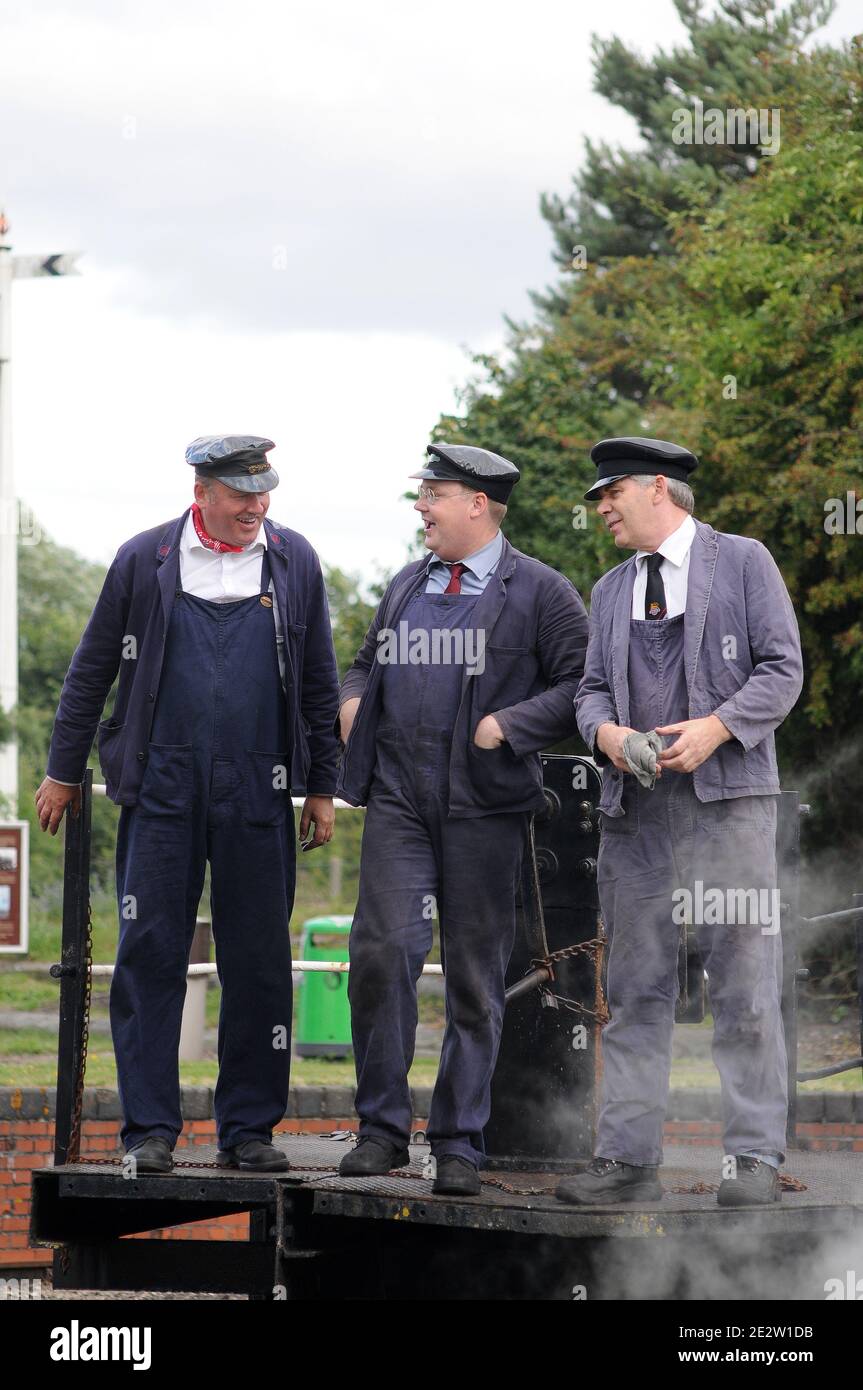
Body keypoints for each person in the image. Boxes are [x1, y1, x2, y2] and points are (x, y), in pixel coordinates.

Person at [36, 435, 340, 1174]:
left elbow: (320, 683)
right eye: (242, 494)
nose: (256, 507)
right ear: (202, 490)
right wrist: (62, 769)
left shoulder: (292, 559)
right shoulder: (145, 558)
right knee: (149, 957)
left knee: (260, 962)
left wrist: (324, 785)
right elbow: (91, 670)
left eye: (264, 493)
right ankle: (148, 1131)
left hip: (259, 788)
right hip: (160, 788)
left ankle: (248, 1130)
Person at [556, 436, 803, 1209]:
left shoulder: (743, 562)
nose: (600, 507)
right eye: (597, 497)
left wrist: (718, 728)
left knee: (742, 984)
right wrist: (606, 736)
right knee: (633, 989)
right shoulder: (606, 591)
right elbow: (590, 691)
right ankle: (627, 1163)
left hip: (727, 815)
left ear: (658, 488)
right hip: (636, 819)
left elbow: (782, 670)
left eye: (611, 493)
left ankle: (752, 1159)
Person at [337, 442, 589, 1194]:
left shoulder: (542, 591)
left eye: (433, 495)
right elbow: (361, 661)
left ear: (476, 504)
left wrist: (510, 724)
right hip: (398, 806)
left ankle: (458, 1144)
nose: (421, 507)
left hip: (484, 812)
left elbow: (583, 684)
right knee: (383, 956)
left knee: (475, 982)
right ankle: (381, 1130)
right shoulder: (405, 585)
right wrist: (353, 703)